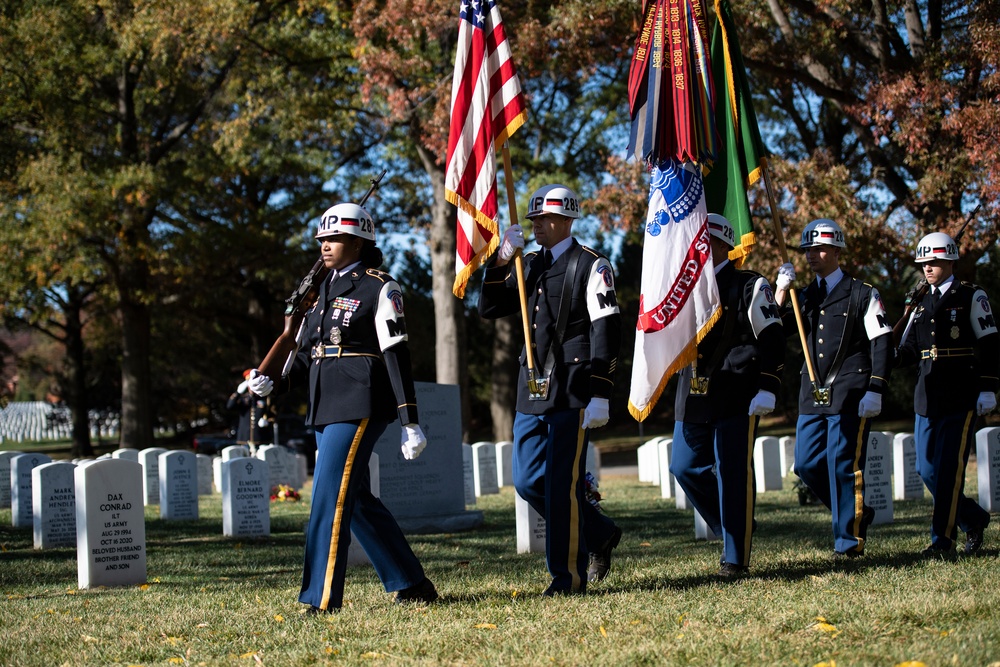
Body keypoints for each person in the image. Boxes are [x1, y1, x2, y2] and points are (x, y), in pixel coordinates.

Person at [249, 201, 437, 612]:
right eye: (322, 238)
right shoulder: (319, 294)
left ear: (359, 241)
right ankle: (412, 582)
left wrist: (411, 420)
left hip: (360, 401)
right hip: (324, 404)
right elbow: (306, 356)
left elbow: (396, 354)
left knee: (328, 496)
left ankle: (319, 599)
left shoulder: (380, 287)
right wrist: (274, 382)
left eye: (335, 238)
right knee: (355, 500)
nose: (325, 245)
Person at [478, 184, 623, 595]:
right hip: (533, 386)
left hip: (574, 387)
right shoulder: (529, 265)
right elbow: (488, 309)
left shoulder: (592, 265)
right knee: (527, 482)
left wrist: (600, 391)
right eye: (534, 219)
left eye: (543, 219)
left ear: (566, 220)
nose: (536, 225)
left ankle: (567, 577)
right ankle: (599, 534)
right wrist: (501, 260)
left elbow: (606, 330)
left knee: (562, 485)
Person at [668, 213, 784, 577]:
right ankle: (736, 526)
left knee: (733, 474)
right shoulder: (681, 287)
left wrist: (768, 386)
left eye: (702, 242)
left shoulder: (751, 285)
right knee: (683, 466)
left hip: (737, 392)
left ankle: (735, 558)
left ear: (721, 246)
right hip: (693, 392)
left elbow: (774, 339)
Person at [773, 218, 892, 559]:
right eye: (808, 249)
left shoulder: (862, 293)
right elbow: (776, 333)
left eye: (820, 248)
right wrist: (780, 291)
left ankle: (848, 543)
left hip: (850, 390)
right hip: (812, 392)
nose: (812, 254)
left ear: (838, 250)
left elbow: (881, 342)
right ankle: (855, 511)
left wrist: (876, 388)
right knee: (807, 464)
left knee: (843, 465)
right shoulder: (802, 296)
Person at [895, 231, 997, 556]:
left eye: (934, 261)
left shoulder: (970, 296)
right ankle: (973, 517)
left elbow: (990, 344)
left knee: (949, 470)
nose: (928, 267)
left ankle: (942, 541)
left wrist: (988, 387)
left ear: (950, 260)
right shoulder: (919, 300)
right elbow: (909, 347)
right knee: (926, 469)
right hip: (926, 394)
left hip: (959, 394)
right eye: (924, 262)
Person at [226, 369, 273, 452]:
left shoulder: (264, 397)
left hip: (261, 438)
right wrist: (237, 393)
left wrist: (268, 421)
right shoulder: (242, 399)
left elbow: (272, 412)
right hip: (245, 438)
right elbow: (230, 406)